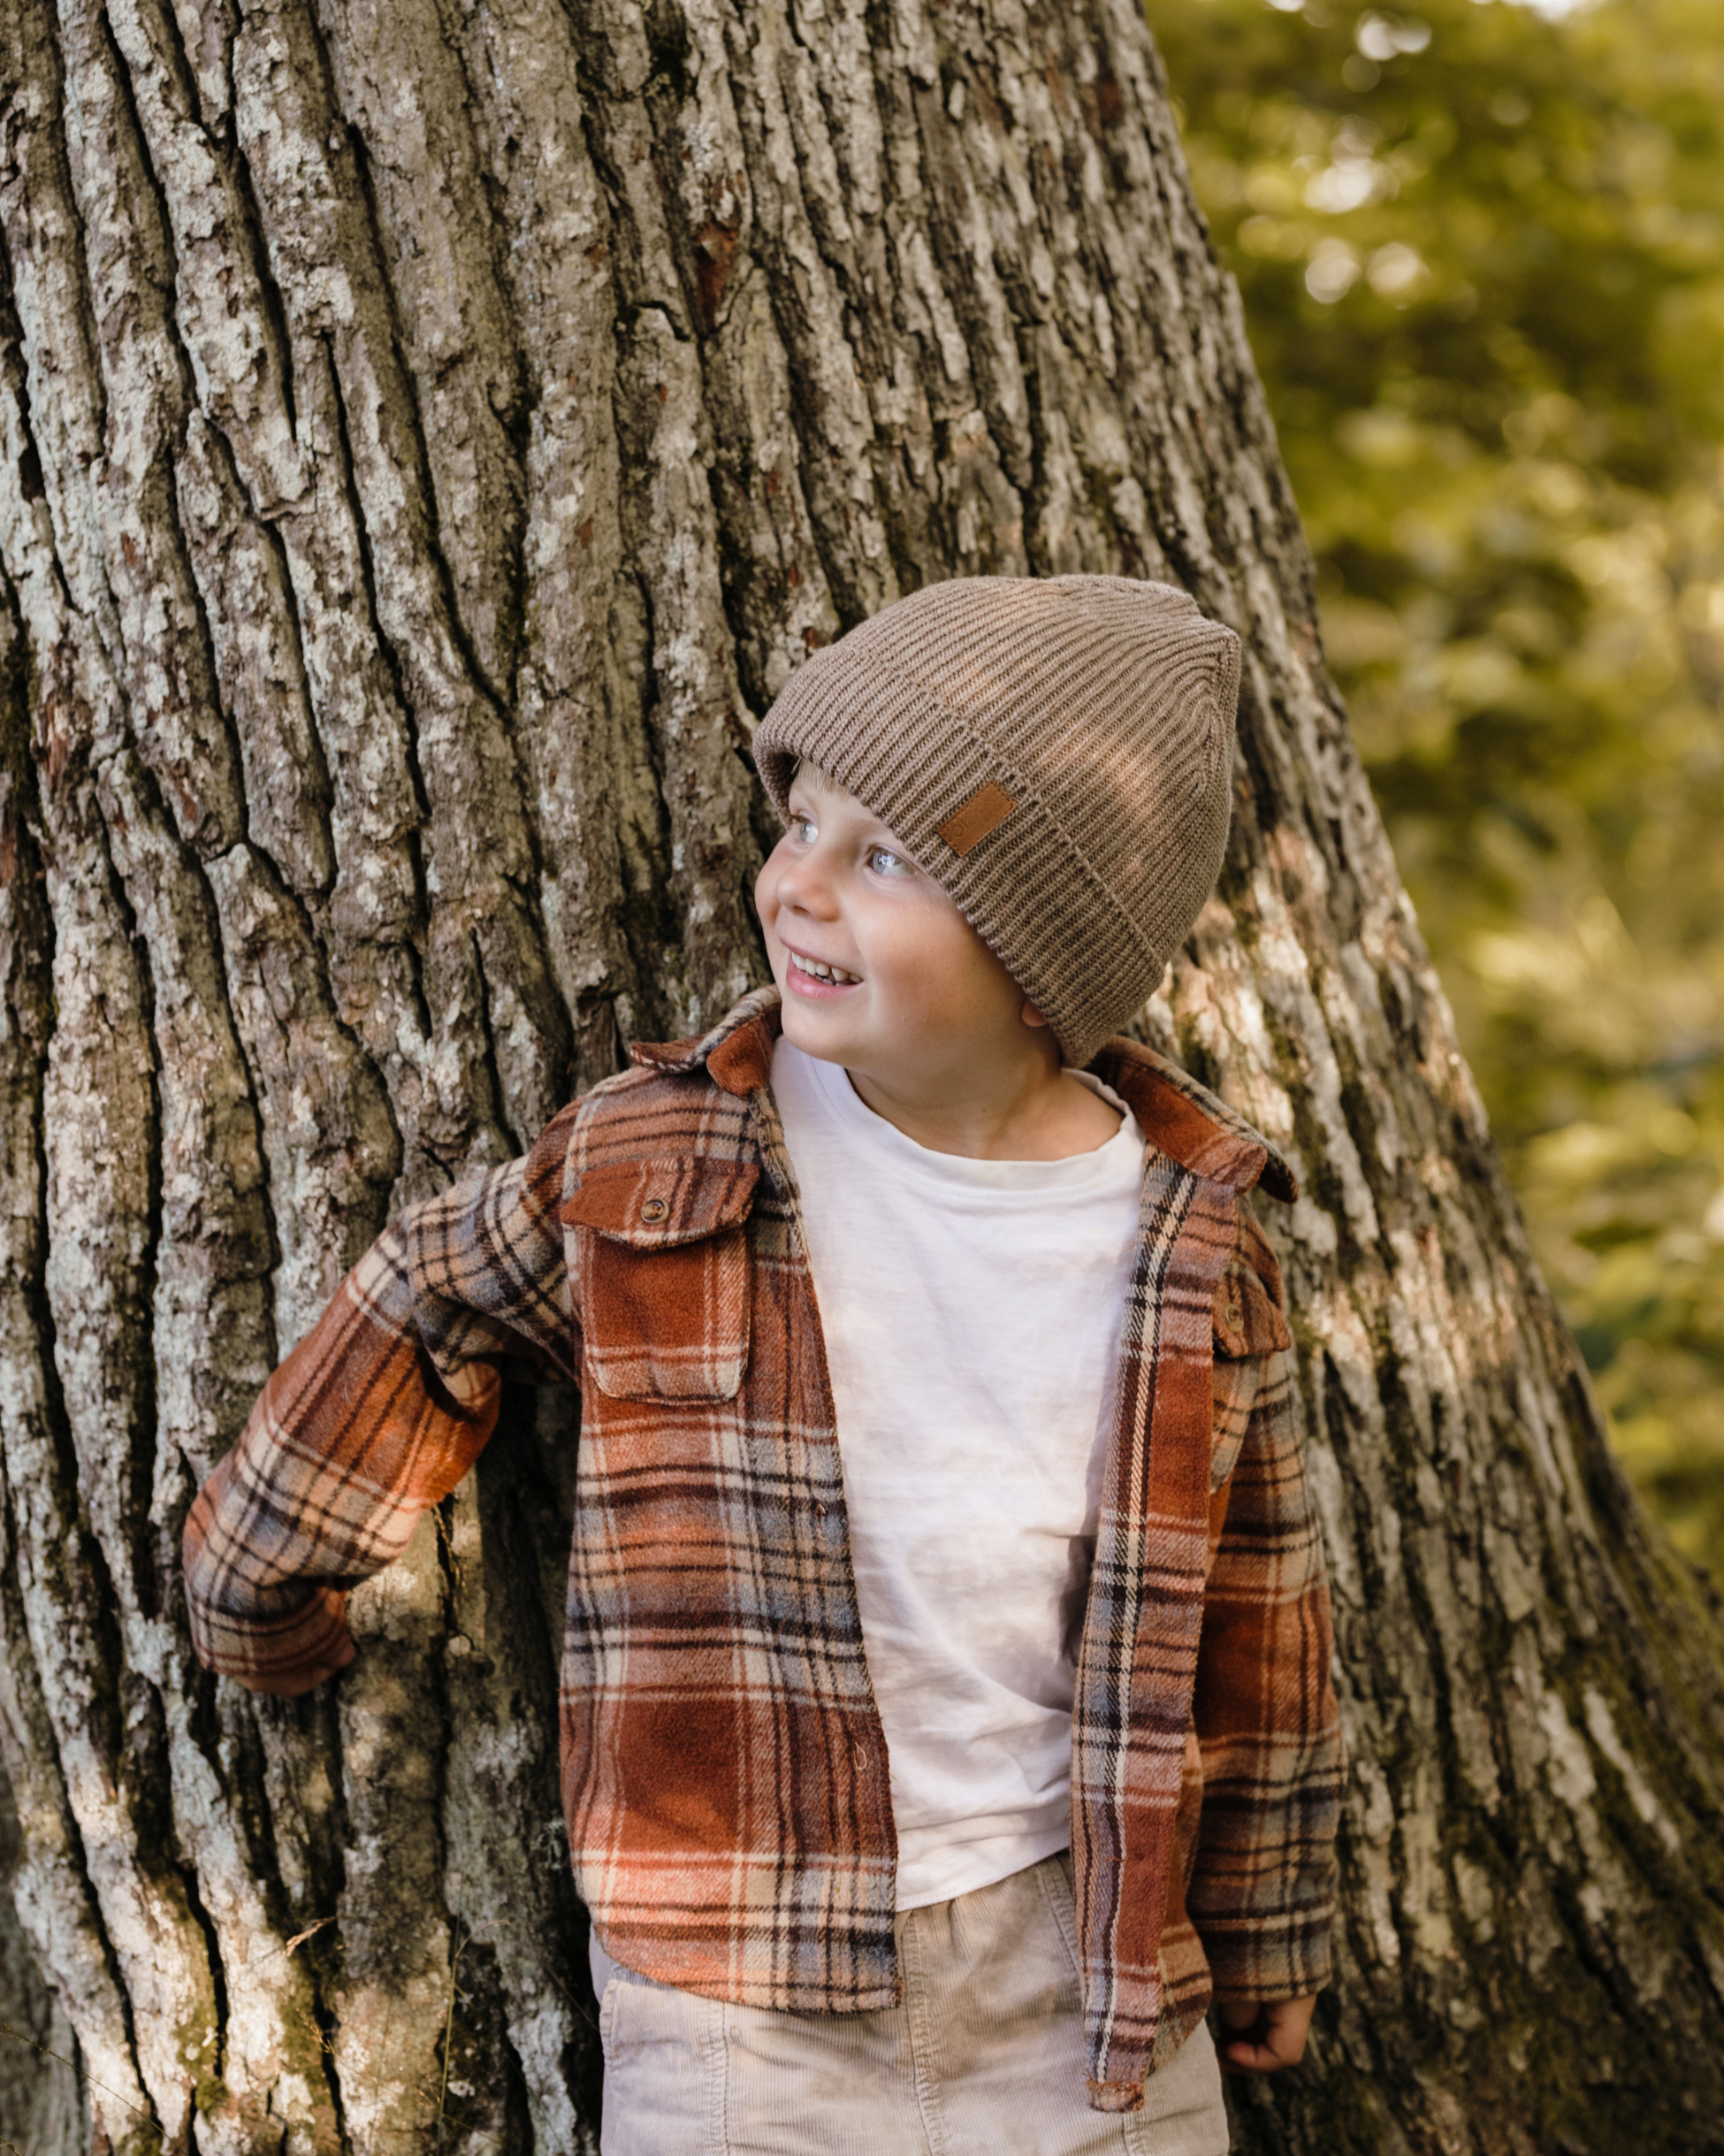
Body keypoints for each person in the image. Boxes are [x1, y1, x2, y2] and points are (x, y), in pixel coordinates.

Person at [185, 575, 1344, 2154]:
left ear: (1035, 955)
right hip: (734, 1975)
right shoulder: (666, 1154)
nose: (799, 885)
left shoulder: (1188, 1246)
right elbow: (427, 1300)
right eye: (799, 821)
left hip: (1083, 1973)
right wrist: (262, 1577)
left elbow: (1260, 1605)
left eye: (884, 857)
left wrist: (1265, 1914)